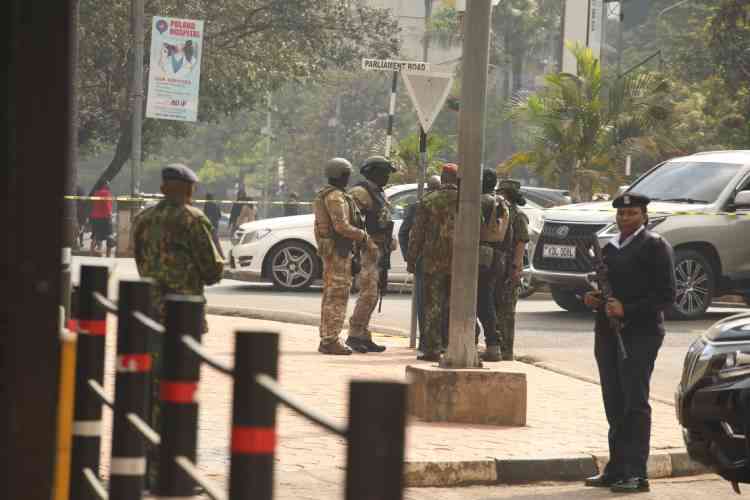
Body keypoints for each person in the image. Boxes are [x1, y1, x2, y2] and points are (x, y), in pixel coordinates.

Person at [132, 163, 224, 484]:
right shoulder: (194, 220)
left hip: (149, 312)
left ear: (162, 189)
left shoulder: (143, 219)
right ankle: (170, 472)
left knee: (149, 390)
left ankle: (145, 466)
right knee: (179, 392)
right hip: (184, 316)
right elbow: (213, 272)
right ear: (188, 190)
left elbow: (140, 260)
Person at [582, 192, 675, 493]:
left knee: (635, 402)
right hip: (608, 333)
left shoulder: (656, 247)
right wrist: (595, 300)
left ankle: (637, 473)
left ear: (644, 216)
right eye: (622, 215)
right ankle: (617, 467)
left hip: (640, 334)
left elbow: (666, 297)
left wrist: (628, 309)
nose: (626, 219)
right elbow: (607, 290)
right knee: (614, 400)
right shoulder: (609, 249)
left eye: (632, 213)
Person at [313, 158, 368, 355]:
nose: (349, 178)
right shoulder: (335, 197)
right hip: (338, 252)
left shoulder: (332, 194)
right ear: (342, 175)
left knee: (332, 295)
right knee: (337, 295)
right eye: (347, 174)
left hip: (337, 251)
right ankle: (330, 339)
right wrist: (362, 235)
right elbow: (341, 226)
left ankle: (328, 337)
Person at [406, 164, 459, 361]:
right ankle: (452, 344)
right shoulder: (467, 201)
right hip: (460, 263)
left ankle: (432, 348)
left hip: (432, 261)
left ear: (443, 178)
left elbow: (416, 234)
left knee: (433, 305)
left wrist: (412, 259)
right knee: (454, 305)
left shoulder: (428, 201)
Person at [346, 156, 398, 354]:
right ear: (373, 172)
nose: (387, 177)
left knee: (375, 293)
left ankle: (363, 335)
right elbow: (353, 223)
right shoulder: (360, 193)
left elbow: (383, 219)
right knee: (368, 293)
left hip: (379, 248)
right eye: (384, 172)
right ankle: (354, 334)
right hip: (366, 249)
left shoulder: (378, 192)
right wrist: (360, 247)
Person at [398, 175, 441, 354]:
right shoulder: (454, 203)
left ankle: (426, 343)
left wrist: (410, 258)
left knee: (425, 304)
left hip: (425, 261)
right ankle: (440, 341)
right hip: (446, 262)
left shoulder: (418, 205)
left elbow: (404, 234)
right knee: (441, 303)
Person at [476, 170, 509, 362]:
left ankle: (489, 343)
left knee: (479, 302)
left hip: (481, 255)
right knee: (487, 300)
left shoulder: (480, 202)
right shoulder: (502, 203)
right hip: (498, 255)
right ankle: (493, 344)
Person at [494, 179, 529, 361]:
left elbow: (521, 243)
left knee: (507, 312)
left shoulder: (518, 216)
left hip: (510, 268)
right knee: (496, 309)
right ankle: (497, 347)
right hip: (498, 267)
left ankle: (506, 351)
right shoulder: (501, 212)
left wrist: (516, 269)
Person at [89, 181, 115, 257]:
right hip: (105, 217)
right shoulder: (106, 193)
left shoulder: (96, 193)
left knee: (95, 236)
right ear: (104, 185)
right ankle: (108, 255)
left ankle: (91, 253)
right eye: (107, 183)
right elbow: (107, 205)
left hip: (95, 217)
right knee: (109, 236)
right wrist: (110, 214)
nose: (109, 184)